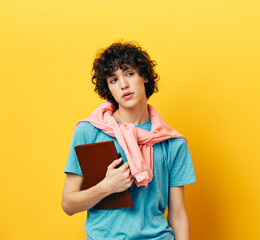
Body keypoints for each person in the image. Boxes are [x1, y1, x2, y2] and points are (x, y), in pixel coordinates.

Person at [61, 41, 196, 240]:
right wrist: (106, 187)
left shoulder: (172, 143)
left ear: (145, 77)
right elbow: (68, 204)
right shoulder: (89, 131)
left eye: (129, 73)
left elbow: (177, 215)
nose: (123, 84)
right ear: (108, 89)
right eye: (113, 79)